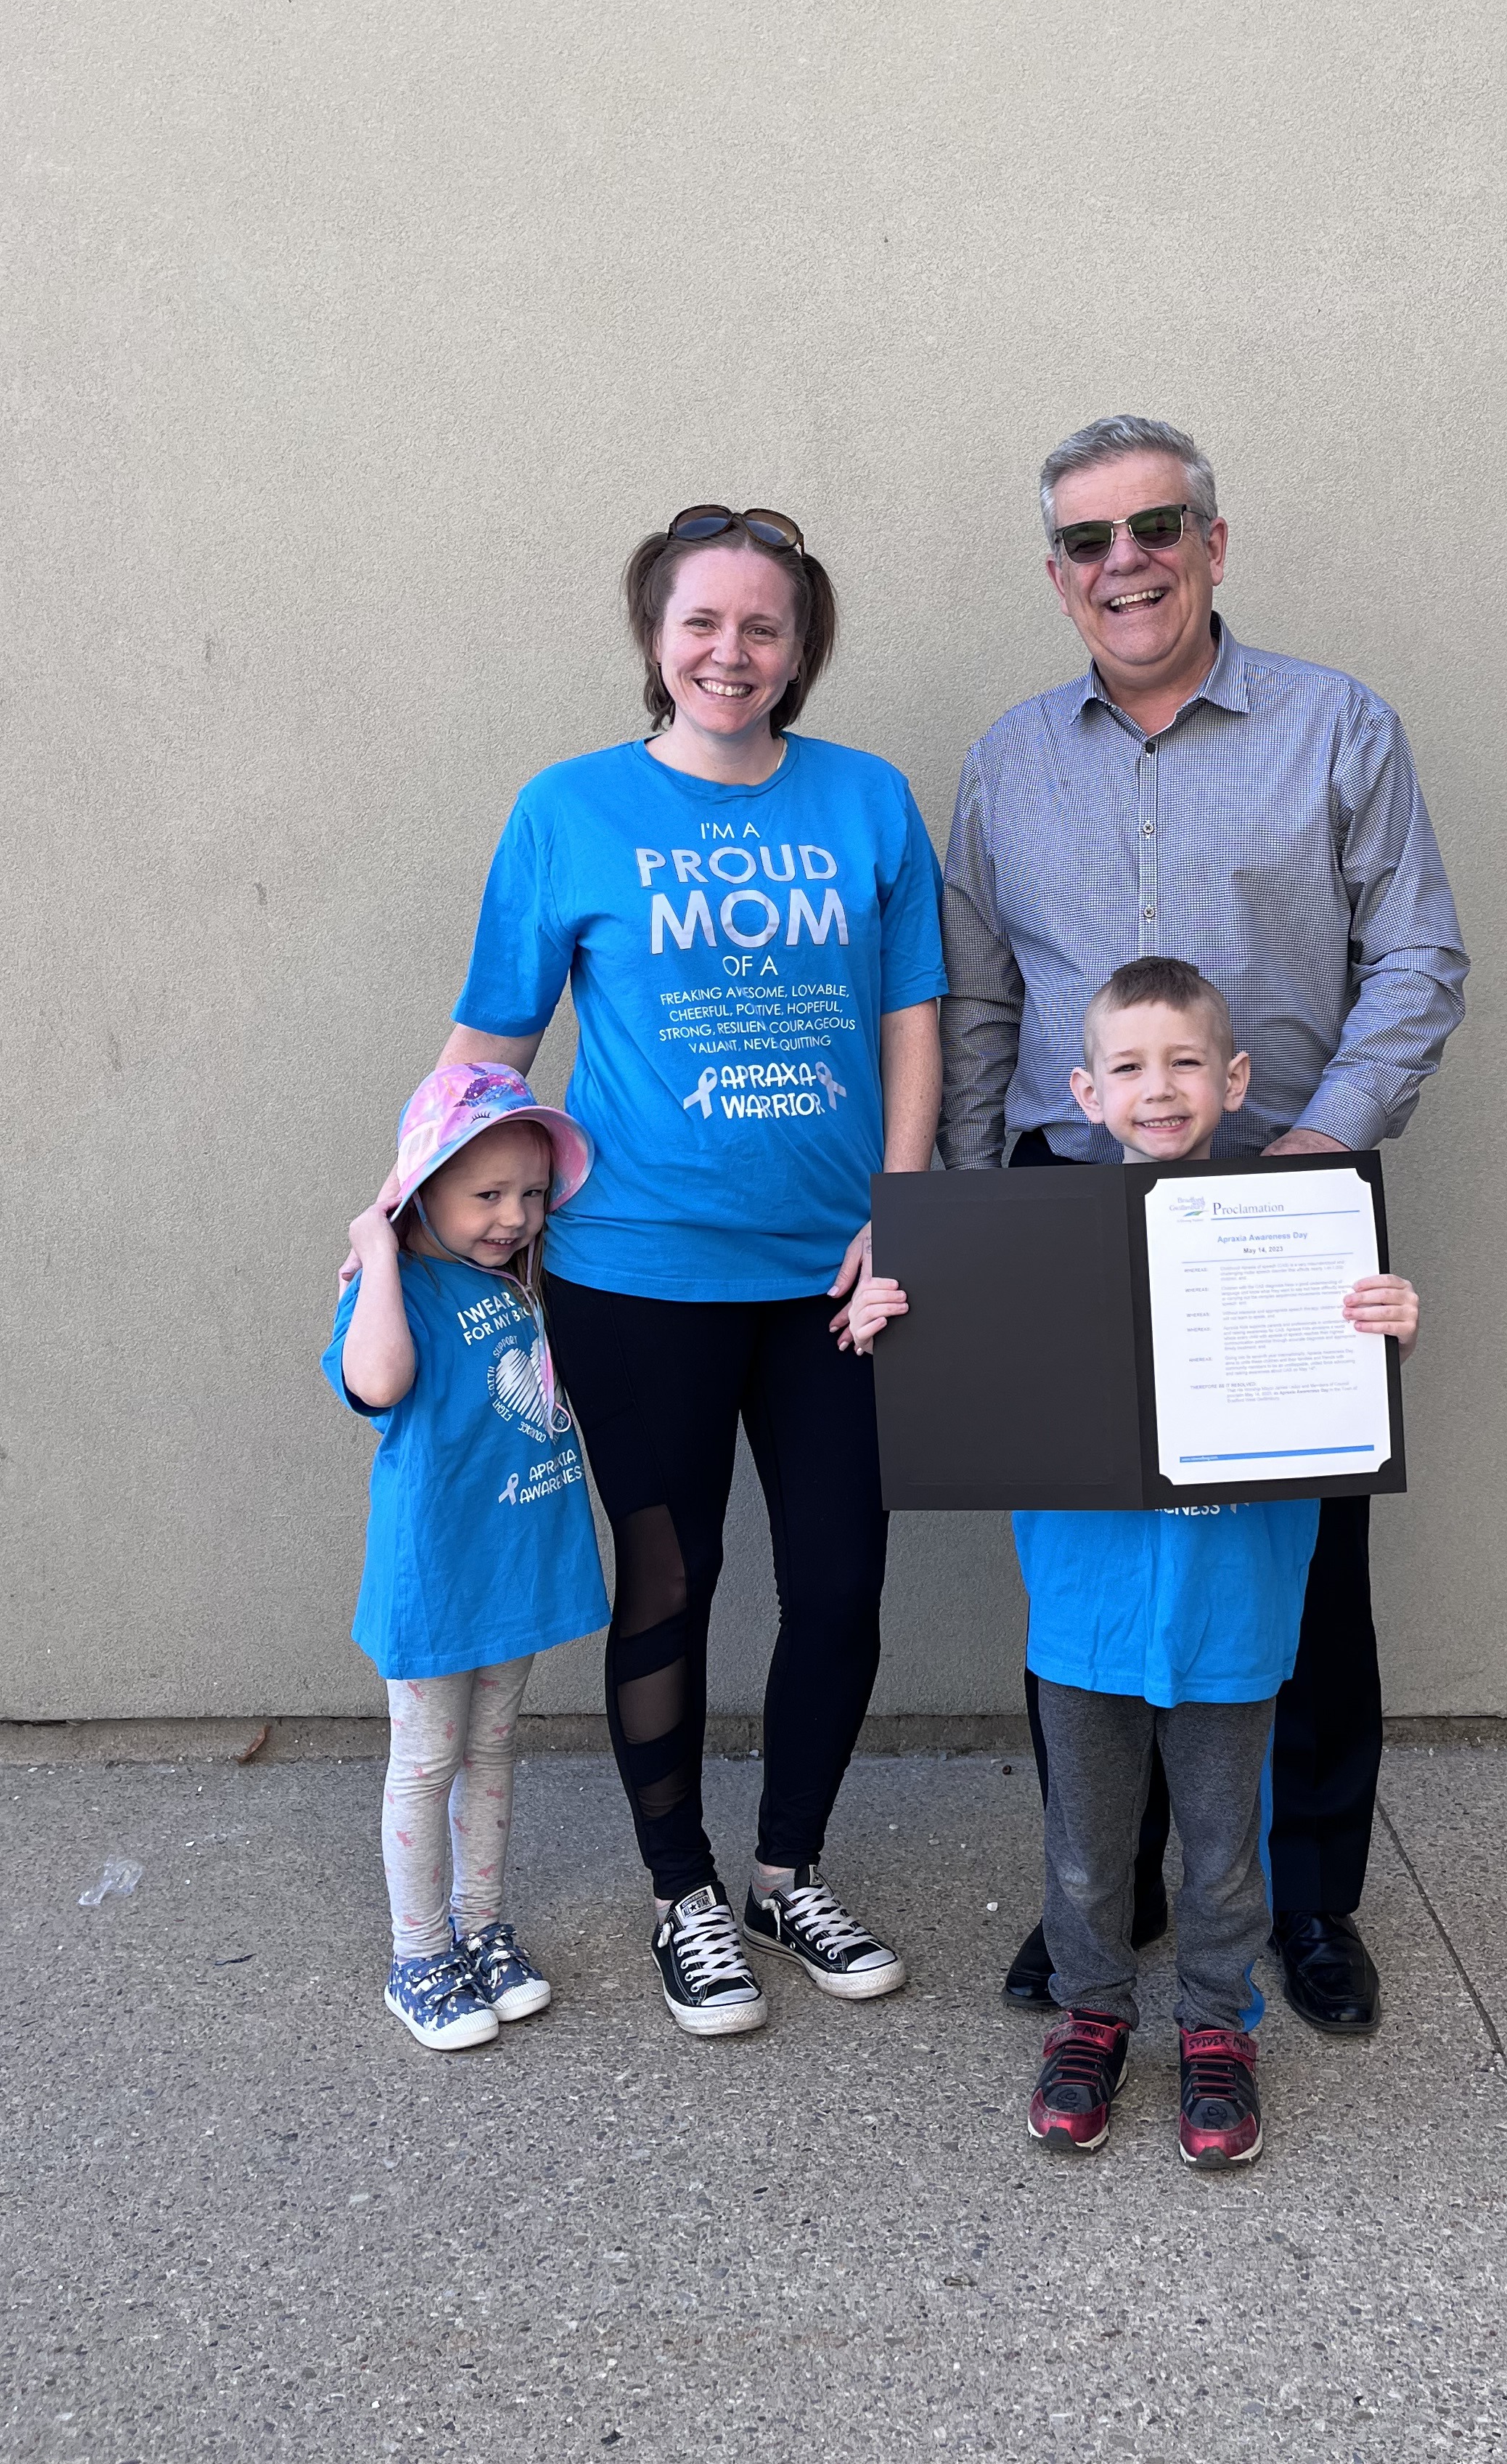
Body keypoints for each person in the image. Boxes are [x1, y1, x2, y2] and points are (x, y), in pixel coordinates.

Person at [943, 417, 1467, 2036]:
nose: (1127, 562)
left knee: (1297, 1577)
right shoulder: (1009, 762)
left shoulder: (1337, 729)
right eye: (1090, 542)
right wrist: (969, 1233)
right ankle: (1111, 1890)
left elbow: (1420, 962)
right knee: (1092, 1578)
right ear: (1057, 576)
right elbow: (975, 999)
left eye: (1156, 527)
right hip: (1064, 1213)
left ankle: (1308, 1901)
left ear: (1214, 543)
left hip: (1276, 1208)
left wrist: (1311, 1160)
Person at [437, 507, 947, 2037]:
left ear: (803, 650)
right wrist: (406, 1218)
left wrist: (905, 1209)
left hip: (834, 1286)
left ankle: (788, 1874)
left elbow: (914, 1013)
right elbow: (492, 1045)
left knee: (842, 1589)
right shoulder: (569, 811)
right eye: (703, 624)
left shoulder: (867, 800)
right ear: (658, 640)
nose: (733, 653)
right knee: (670, 1583)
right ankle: (684, 1897)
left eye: (765, 628)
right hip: (637, 1277)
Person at [848, 958, 1421, 2164]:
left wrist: (1385, 1328)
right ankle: (1091, 2016)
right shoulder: (1021, 1241)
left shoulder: (1297, 1230)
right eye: (1128, 1068)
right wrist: (902, 1325)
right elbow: (958, 1366)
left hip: (1236, 1611)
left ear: (1236, 1077)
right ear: (1084, 1090)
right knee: (1087, 1849)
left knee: (1222, 1854)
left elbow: (1343, 1393)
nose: (1158, 1089)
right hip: (1086, 1613)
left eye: (1185, 1063)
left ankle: (1219, 2030)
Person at [327, 1063, 609, 2052]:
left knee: (492, 1752)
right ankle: (419, 1957)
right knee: (427, 1761)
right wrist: (377, 1244)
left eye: (530, 1194)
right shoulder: (394, 1291)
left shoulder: (510, 1284)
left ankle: (482, 1929)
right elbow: (378, 1381)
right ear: (422, 1189)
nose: (514, 1215)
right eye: (486, 1193)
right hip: (437, 1579)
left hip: (512, 1567)